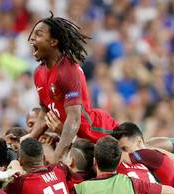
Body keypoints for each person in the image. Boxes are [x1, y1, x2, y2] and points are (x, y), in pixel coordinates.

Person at [23, 13, 119, 161]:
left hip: (98, 133)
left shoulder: (67, 71)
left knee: (138, 154)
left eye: (38, 34)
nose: (32, 38)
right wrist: (30, 138)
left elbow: (74, 120)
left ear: (53, 42)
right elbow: (45, 112)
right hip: (73, 139)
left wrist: (56, 157)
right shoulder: (38, 73)